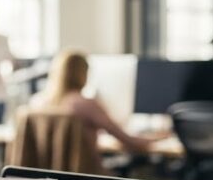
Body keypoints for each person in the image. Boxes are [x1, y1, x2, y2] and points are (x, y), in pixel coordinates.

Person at [28, 51, 156, 156]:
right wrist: (157, 138)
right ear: (83, 74)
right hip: (85, 174)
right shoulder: (86, 105)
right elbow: (126, 140)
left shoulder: (37, 103)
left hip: (47, 176)